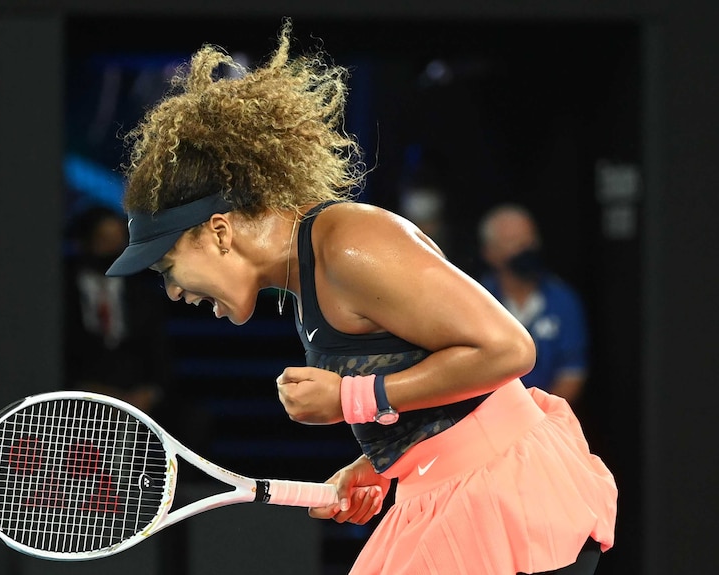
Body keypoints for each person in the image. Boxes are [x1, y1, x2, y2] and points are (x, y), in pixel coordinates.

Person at [105, 20, 617, 575]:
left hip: (504, 501)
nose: (175, 292)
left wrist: (353, 399)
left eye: (169, 266)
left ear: (220, 232)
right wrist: (381, 461)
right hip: (449, 494)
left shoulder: (347, 242)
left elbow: (509, 351)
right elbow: (434, 388)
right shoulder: (308, 274)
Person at [63, 205, 172, 414]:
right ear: (84, 242)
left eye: (118, 241)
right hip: (79, 398)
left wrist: (148, 394)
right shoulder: (62, 292)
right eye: (104, 241)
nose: (113, 249)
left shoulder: (143, 293)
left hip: (137, 400)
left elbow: (160, 353)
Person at [477, 204, 589, 406]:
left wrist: (538, 419)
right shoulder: (476, 301)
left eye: (528, 239)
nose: (525, 247)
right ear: (489, 253)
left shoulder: (562, 300)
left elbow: (572, 373)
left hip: (546, 418)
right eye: (513, 242)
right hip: (489, 417)